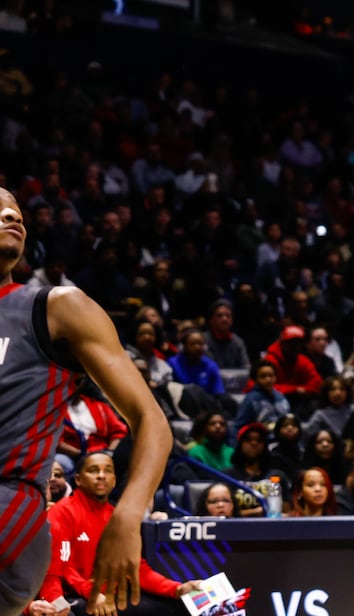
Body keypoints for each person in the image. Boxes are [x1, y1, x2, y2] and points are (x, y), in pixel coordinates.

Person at [0, 188, 174, 616]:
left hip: (11, 513)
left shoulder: (56, 307)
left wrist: (128, 516)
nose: (11, 216)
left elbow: (151, 420)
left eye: (16, 211)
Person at [38, 451, 203, 615]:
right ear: (79, 480)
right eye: (94, 470)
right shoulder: (62, 513)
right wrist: (91, 593)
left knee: (181, 604)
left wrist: (177, 588)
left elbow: (137, 569)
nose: (101, 476)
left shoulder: (118, 518)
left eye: (107, 470)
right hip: (77, 596)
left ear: (114, 480)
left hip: (111, 595)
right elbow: (61, 569)